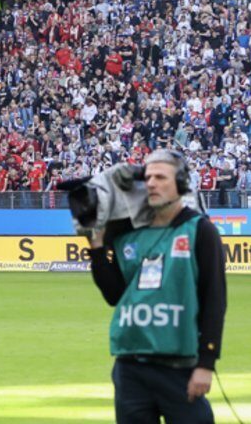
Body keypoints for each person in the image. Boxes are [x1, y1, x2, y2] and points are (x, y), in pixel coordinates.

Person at [89, 150, 226, 424]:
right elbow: (115, 295)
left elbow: (214, 300)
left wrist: (206, 364)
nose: (151, 183)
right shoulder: (127, 235)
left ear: (182, 184)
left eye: (161, 177)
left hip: (179, 366)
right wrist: (96, 246)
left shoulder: (200, 230)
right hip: (130, 366)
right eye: (148, 177)